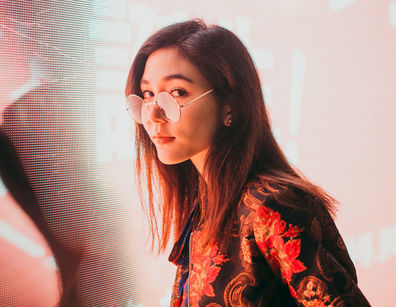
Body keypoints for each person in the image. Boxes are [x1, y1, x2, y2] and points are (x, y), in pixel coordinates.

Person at [124, 19, 370, 306]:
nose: (153, 116)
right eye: (148, 94)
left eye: (177, 93)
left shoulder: (272, 206)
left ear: (230, 106)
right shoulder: (206, 204)